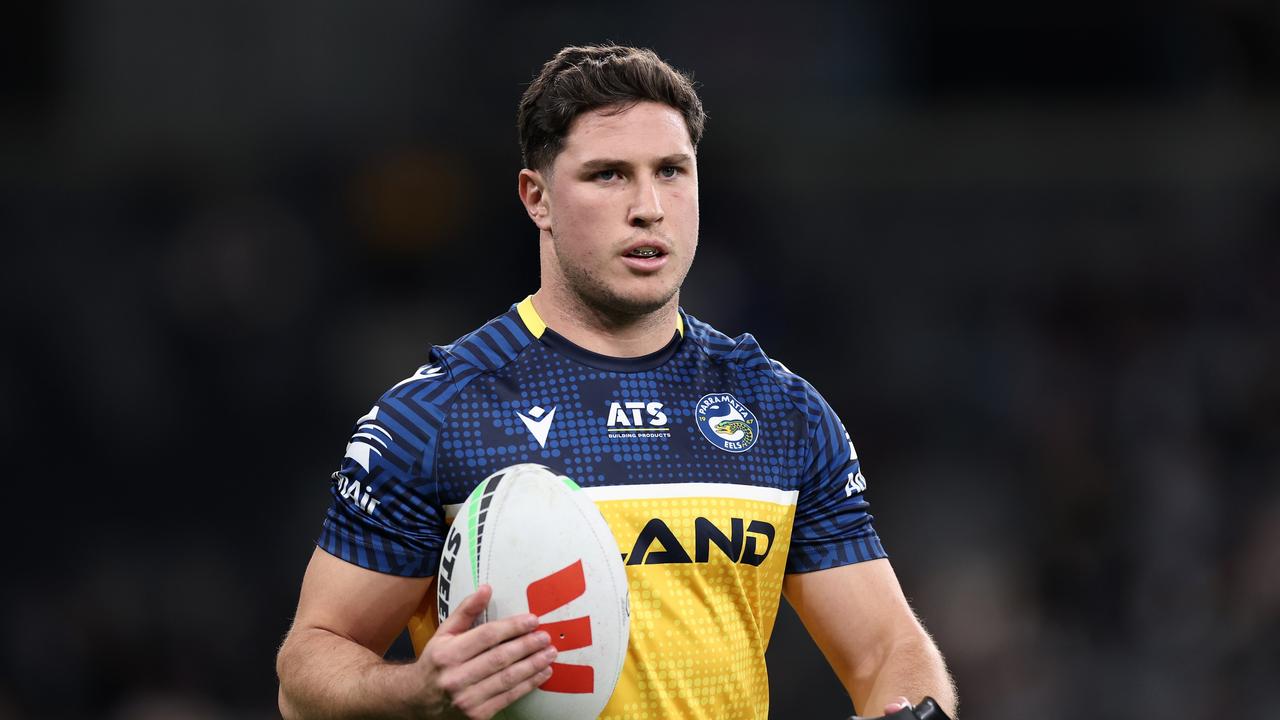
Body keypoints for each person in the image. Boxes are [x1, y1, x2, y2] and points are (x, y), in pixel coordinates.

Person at [276, 44, 957, 720]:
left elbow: (885, 649)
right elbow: (309, 667)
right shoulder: (435, 415)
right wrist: (415, 692)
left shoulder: (780, 411)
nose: (649, 207)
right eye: (608, 176)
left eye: (671, 172)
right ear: (536, 198)